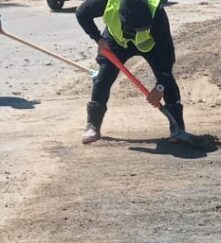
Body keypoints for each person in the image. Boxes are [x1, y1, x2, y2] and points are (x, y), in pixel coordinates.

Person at [76, 0, 185, 144]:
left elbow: (167, 56)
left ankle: (177, 127)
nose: (136, 33)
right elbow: (81, 14)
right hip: (116, 41)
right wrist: (99, 39)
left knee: (166, 79)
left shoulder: (156, 13)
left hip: (150, 45)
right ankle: (93, 125)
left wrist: (160, 87)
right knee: (103, 77)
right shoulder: (107, 2)